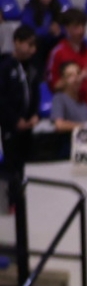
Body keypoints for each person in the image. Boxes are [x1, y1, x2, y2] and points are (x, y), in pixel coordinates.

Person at [0, 26, 41, 206]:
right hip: (10, 127)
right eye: (29, 45)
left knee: (26, 165)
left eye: (34, 45)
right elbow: (2, 99)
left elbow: (35, 94)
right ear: (17, 42)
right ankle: (12, 204)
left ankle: (26, 203)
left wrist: (35, 115)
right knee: (13, 166)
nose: (33, 50)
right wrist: (15, 120)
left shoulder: (32, 68)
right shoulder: (5, 67)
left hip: (27, 127)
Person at [46, 9, 87, 109]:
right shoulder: (58, 53)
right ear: (67, 28)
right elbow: (54, 85)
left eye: (83, 26)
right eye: (76, 27)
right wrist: (76, 79)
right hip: (68, 110)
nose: (81, 31)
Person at [19, 0, 63, 83]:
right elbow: (28, 31)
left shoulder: (57, 10)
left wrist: (59, 32)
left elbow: (65, 30)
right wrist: (48, 30)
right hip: (36, 48)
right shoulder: (30, 9)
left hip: (52, 46)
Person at [48, 61, 87, 130]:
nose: (76, 78)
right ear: (63, 80)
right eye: (70, 75)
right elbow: (59, 125)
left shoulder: (85, 106)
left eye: (78, 73)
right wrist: (84, 126)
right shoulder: (59, 99)